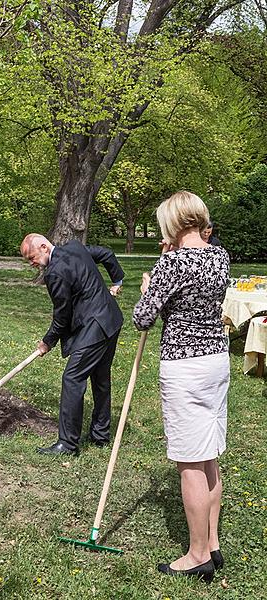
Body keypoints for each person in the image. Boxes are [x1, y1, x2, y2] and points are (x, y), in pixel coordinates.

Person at [132, 191, 230, 583]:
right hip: (216, 361)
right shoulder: (219, 257)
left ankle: (196, 554)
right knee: (209, 457)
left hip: (185, 366)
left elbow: (142, 318)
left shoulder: (171, 263)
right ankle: (213, 543)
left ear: (170, 225)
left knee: (190, 460)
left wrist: (148, 287)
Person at [20, 234, 124, 455]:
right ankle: (100, 435)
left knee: (72, 378)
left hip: (95, 327)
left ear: (44, 247)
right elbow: (106, 254)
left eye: (32, 257)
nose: (32, 263)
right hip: (111, 319)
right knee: (100, 379)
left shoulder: (55, 273)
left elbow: (62, 316)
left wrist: (47, 342)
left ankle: (67, 444)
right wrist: (117, 280)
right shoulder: (76, 248)